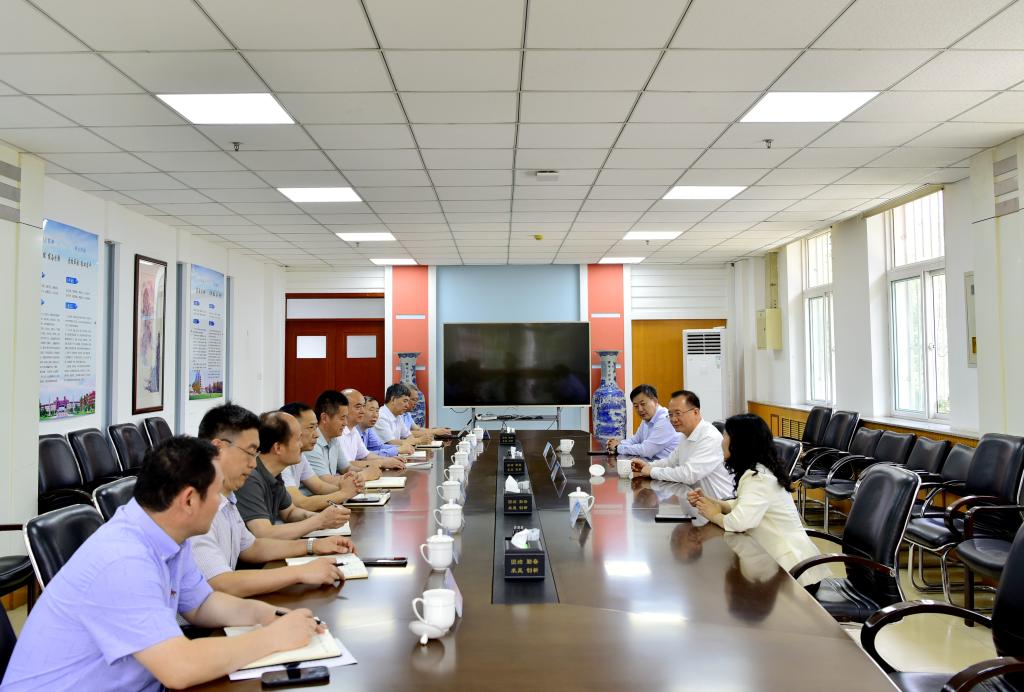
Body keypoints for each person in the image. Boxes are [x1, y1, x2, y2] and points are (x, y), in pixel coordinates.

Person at [1, 437, 324, 691]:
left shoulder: (167, 536)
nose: (221, 503)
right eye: (216, 494)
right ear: (189, 500)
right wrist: (272, 638)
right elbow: (179, 668)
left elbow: (202, 604)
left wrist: (268, 616)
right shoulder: (123, 560)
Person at [191, 403, 357, 598]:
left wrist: (313, 546)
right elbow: (220, 584)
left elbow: (252, 547)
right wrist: (299, 572)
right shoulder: (196, 505)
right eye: (249, 453)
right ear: (218, 449)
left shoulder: (227, 497)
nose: (253, 464)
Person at [688, 413, 832, 590]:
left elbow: (739, 522)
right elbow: (745, 505)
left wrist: (714, 515)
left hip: (794, 574)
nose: (721, 441)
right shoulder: (758, 470)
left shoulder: (758, 478)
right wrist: (714, 503)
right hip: (780, 567)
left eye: (725, 435)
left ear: (740, 442)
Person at [235, 411, 351, 541]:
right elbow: (264, 534)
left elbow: (290, 512)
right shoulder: (250, 477)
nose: (301, 445)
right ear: (278, 448)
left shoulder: (275, 474)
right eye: (297, 440)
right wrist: (319, 521)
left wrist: (321, 518)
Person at [631, 390, 734, 499]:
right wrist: (648, 465)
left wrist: (652, 471)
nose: (673, 419)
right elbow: (670, 462)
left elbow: (688, 474)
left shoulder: (709, 437)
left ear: (695, 412)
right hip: (697, 501)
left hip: (720, 503)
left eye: (678, 413)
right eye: (670, 415)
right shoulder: (685, 435)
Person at [279, 401, 367, 511]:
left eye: (316, 427)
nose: (317, 434)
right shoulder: (281, 461)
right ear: (292, 430)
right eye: (311, 427)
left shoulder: (299, 455)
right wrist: (343, 493)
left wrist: (351, 487)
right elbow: (300, 503)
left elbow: (319, 486)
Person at [605, 384, 680, 460]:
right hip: (651, 463)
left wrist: (617, 448)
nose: (640, 409)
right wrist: (616, 444)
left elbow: (646, 450)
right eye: (636, 406)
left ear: (655, 401)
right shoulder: (647, 419)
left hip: (667, 466)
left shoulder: (665, 420)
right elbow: (635, 440)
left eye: (643, 404)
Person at [339, 388, 405, 471]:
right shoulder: (338, 432)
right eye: (358, 407)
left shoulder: (353, 430)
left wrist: (387, 460)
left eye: (363, 406)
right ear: (343, 409)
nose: (363, 411)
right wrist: (382, 462)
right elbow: (345, 465)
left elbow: (366, 456)